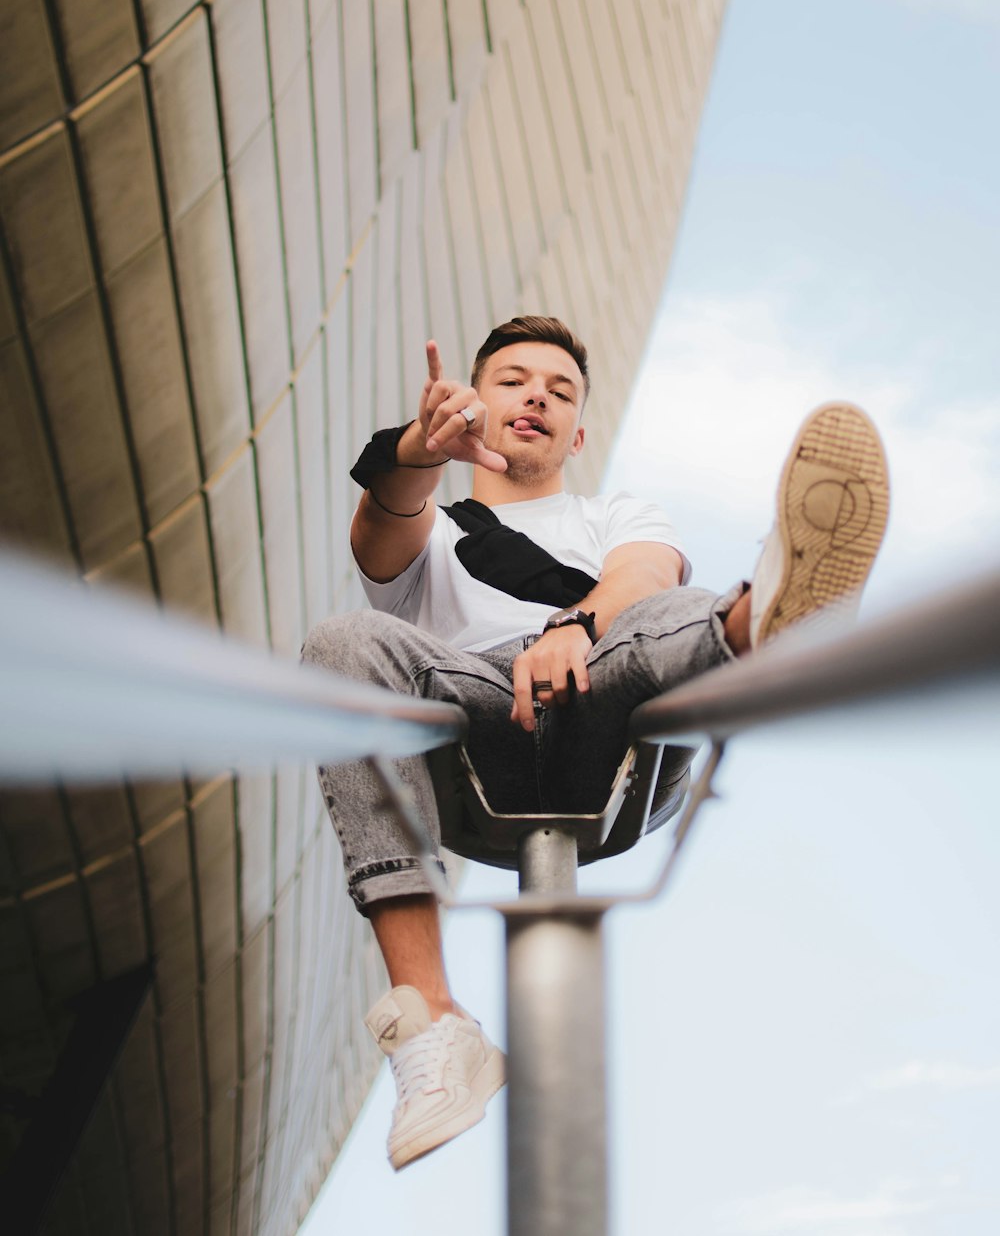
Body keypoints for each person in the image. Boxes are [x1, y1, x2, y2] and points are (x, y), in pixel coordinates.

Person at [304, 315, 890, 1170]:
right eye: (512, 380)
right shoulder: (430, 526)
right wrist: (415, 451)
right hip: (473, 724)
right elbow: (380, 523)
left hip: (612, 722)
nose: (537, 393)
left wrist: (575, 626)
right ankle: (430, 1020)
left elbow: (643, 574)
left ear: (578, 432)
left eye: (561, 389)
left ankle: (763, 624)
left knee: (659, 615)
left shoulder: (616, 511)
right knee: (339, 644)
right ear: (471, 407)